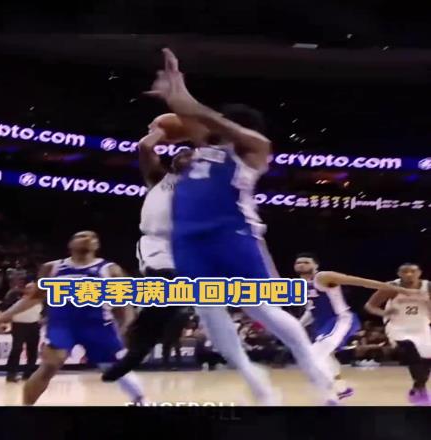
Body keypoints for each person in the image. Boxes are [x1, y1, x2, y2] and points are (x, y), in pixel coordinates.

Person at [144, 48, 339, 405]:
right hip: (187, 240)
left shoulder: (254, 147)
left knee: (258, 307)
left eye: (218, 122)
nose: (204, 127)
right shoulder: (202, 146)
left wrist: (183, 97)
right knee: (208, 309)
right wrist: (176, 83)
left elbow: (200, 115)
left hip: (231, 232)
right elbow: (189, 114)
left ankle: (314, 367)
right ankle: (254, 378)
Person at [0, 231, 144, 405]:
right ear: (70, 244)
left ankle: (141, 401)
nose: (87, 238)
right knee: (49, 366)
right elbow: (33, 298)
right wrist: (3, 316)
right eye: (81, 236)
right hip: (62, 325)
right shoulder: (52, 267)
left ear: (97, 245)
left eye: (93, 237)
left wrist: (129, 327)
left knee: (115, 367)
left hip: (98, 325)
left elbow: (124, 304)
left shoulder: (110, 269)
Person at [101, 120, 193, 382]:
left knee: (171, 304)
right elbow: (144, 147)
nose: (186, 156)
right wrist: (161, 131)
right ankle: (137, 346)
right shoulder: (159, 178)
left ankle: (138, 345)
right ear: (172, 162)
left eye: (191, 155)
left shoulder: (205, 187)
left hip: (188, 247)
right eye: (181, 154)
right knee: (165, 290)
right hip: (157, 245)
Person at [295, 253, 417, 399]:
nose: (301, 265)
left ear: (315, 265)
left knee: (314, 355)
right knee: (325, 356)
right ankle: (342, 389)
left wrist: (399, 289)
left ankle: (328, 391)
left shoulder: (323, 277)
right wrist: (297, 325)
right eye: (298, 262)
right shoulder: (302, 284)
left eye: (306, 262)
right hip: (322, 324)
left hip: (340, 319)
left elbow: (360, 281)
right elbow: (310, 309)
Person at [365, 263, 431, 405]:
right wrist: (384, 313)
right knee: (412, 351)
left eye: (412, 271)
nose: (409, 274)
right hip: (398, 327)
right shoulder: (391, 287)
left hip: (421, 327)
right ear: (399, 274)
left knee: (427, 359)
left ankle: (418, 386)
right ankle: (421, 390)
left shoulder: (428, 287)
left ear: (419, 273)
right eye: (405, 271)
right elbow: (370, 305)